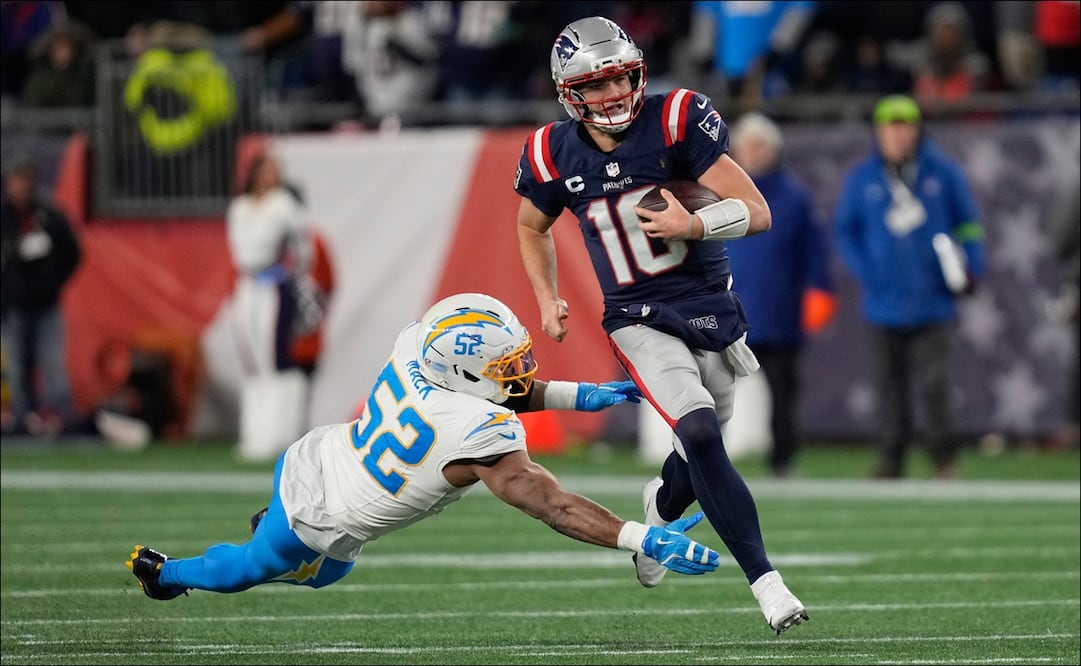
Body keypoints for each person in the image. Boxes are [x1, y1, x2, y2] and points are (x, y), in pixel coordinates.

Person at [126, 292, 721, 600]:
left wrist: (579, 395)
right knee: (252, 568)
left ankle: (267, 536)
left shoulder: (420, 349)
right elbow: (551, 504)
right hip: (323, 515)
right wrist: (640, 537)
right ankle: (166, 574)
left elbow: (492, 390)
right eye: (505, 363)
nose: (519, 372)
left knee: (328, 578)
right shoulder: (474, 430)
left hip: (327, 452)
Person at [513, 16, 808, 635]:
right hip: (636, 316)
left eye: (619, 78)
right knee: (700, 434)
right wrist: (548, 296)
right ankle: (768, 585)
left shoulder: (675, 117)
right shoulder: (550, 151)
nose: (611, 94)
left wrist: (693, 225)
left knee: (693, 461)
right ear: (569, 93)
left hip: (710, 305)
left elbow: (757, 212)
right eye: (594, 86)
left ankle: (661, 509)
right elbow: (530, 225)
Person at [833, 94, 986, 480]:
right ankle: (891, 458)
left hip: (932, 299)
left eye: (905, 127)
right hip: (883, 301)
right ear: (880, 133)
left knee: (935, 385)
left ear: (917, 131)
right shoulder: (863, 178)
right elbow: (845, 232)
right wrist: (868, 272)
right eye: (890, 128)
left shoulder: (942, 173)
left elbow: (968, 224)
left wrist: (971, 267)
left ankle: (942, 458)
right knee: (889, 386)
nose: (898, 136)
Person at [725, 112, 836, 479]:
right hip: (726, 311)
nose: (754, 153)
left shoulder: (794, 197)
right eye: (748, 145)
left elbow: (814, 252)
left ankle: (782, 457)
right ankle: (706, 459)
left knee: (783, 390)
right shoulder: (718, 190)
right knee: (708, 389)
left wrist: (820, 292)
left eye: (761, 146)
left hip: (778, 311)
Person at [226, 150, 320, 459]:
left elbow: (304, 245)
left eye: (275, 170)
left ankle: (279, 433)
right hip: (247, 283)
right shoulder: (240, 207)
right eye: (265, 170)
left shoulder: (283, 204)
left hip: (273, 284)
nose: (271, 176)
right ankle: (255, 433)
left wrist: (294, 274)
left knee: (273, 358)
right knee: (252, 360)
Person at [0, 157, 82, 438]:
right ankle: (23, 424)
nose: (21, 186)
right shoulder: (4, 218)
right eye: (16, 179)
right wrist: (14, 254)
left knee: (53, 365)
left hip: (46, 304)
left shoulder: (49, 216)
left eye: (25, 179)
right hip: (12, 306)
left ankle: (58, 422)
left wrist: (52, 278)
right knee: (17, 367)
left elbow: (72, 253)